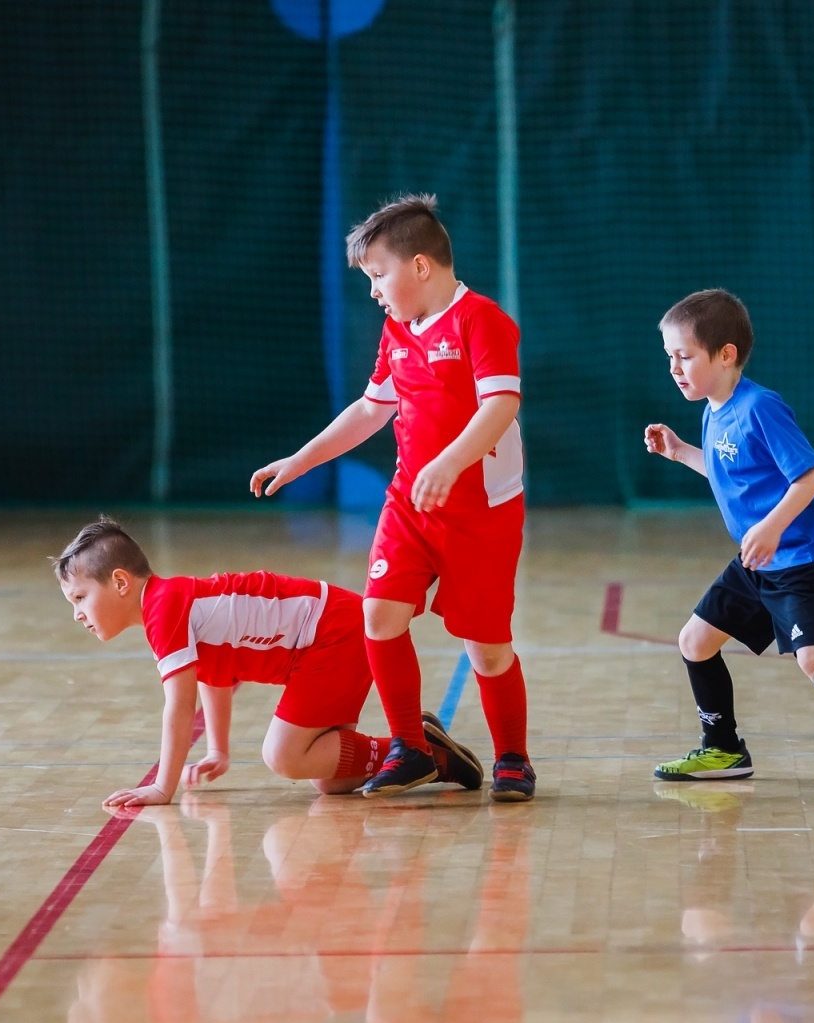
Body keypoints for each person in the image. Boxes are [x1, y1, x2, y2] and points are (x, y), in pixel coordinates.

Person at [250, 194, 534, 801]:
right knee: (379, 615)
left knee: (487, 650)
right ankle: (410, 747)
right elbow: (370, 409)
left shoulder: (481, 320)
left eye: (379, 275)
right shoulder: (396, 330)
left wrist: (451, 462)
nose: (375, 291)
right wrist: (302, 459)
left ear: (420, 266)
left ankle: (514, 758)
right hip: (410, 503)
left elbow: (500, 404)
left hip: (481, 512)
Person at [642, 289, 814, 797]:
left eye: (684, 356)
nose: (674, 368)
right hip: (759, 560)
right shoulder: (714, 411)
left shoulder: (760, 406)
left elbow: (811, 475)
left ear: (726, 354)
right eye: (669, 356)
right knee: (695, 642)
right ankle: (723, 748)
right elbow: (728, 472)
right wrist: (681, 453)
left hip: (804, 557)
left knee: (813, 656)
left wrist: (772, 526)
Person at [53, 516, 482, 807]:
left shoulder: (165, 608)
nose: (77, 614)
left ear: (121, 582)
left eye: (80, 598)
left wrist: (162, 787)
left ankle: (418, 749)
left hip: (334, 635)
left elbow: (180, 706)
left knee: (283, 755)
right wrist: (218, 750)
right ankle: (427, 751)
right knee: (329, 779)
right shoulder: (168, 605)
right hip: (333, 633)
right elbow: (214, 675)